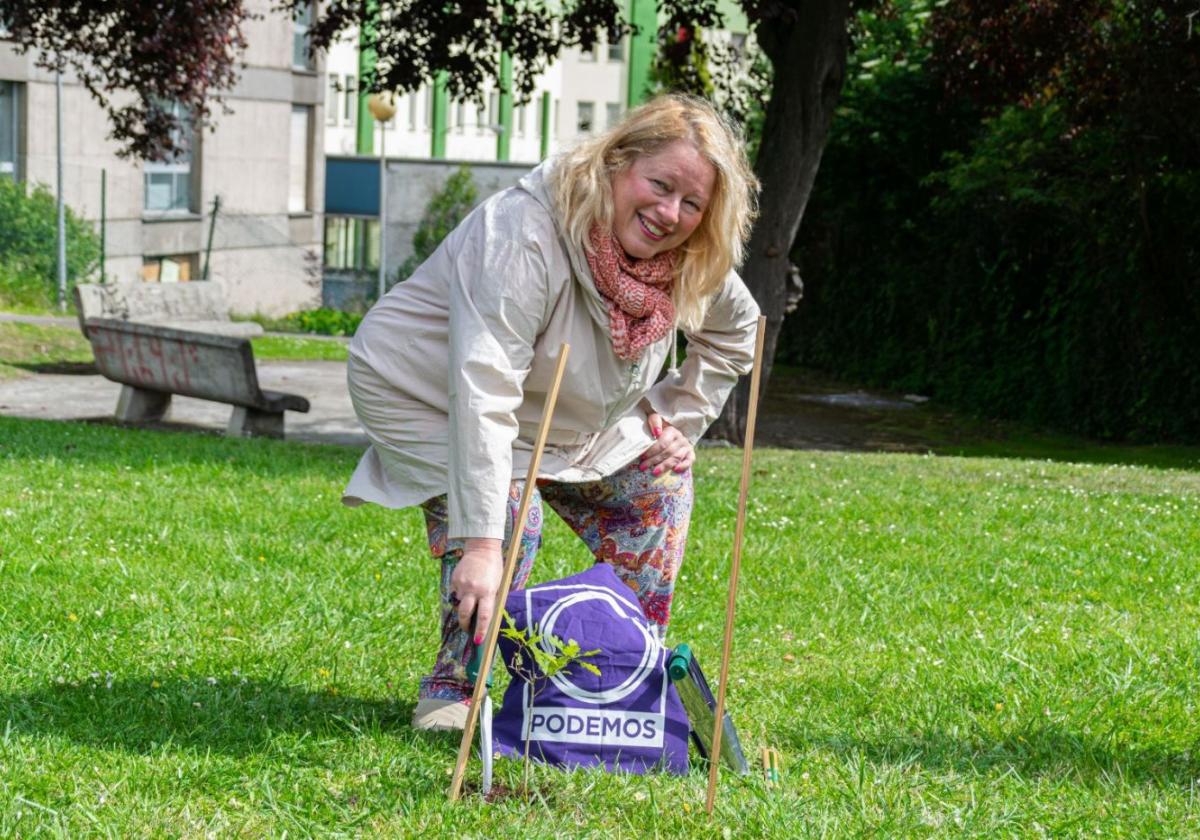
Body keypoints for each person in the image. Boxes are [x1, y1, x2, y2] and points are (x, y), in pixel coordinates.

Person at [342, 94, 760, 731]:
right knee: (508, 512)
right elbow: (481, 387)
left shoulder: (689, 260)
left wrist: (677, 415)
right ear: (616, 164)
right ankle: (457, 682)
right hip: (423, 389)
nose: (669, 213)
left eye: (693, 203)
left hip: (562, 416)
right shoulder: (523, 231)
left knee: (660, 480)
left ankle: (617, 682)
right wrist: (482, 545)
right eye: (660, 184)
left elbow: (738, 330)